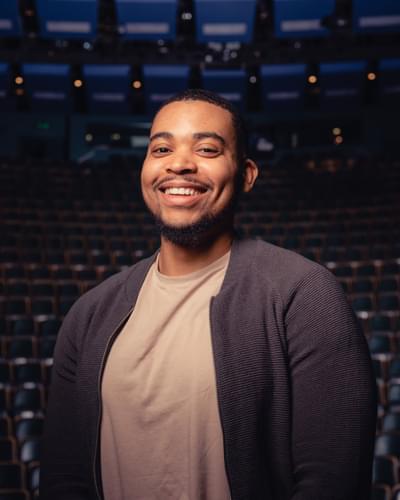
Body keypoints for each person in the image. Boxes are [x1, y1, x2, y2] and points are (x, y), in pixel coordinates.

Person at [41, 89, 377, 500]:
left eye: (207, 149)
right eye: (161, 148)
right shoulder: (89, 314)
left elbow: (333, 482)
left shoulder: (304, 294)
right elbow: (63, 479)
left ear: (246, 174)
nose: (179, 163)